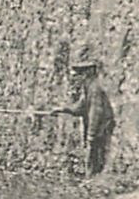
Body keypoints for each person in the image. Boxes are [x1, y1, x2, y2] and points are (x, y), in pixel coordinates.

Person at [40, 45, 117, 176]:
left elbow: (95, 112)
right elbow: (80, 107)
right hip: (95, 127)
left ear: (88, 73)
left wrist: (91, 134)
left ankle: (93, 178)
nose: (78, 77)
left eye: (80, 73)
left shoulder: (95, 89)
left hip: (100, 128)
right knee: (91, 153)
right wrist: (62, 109)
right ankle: (91, 176)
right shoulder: (88, 88)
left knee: (94, 153)